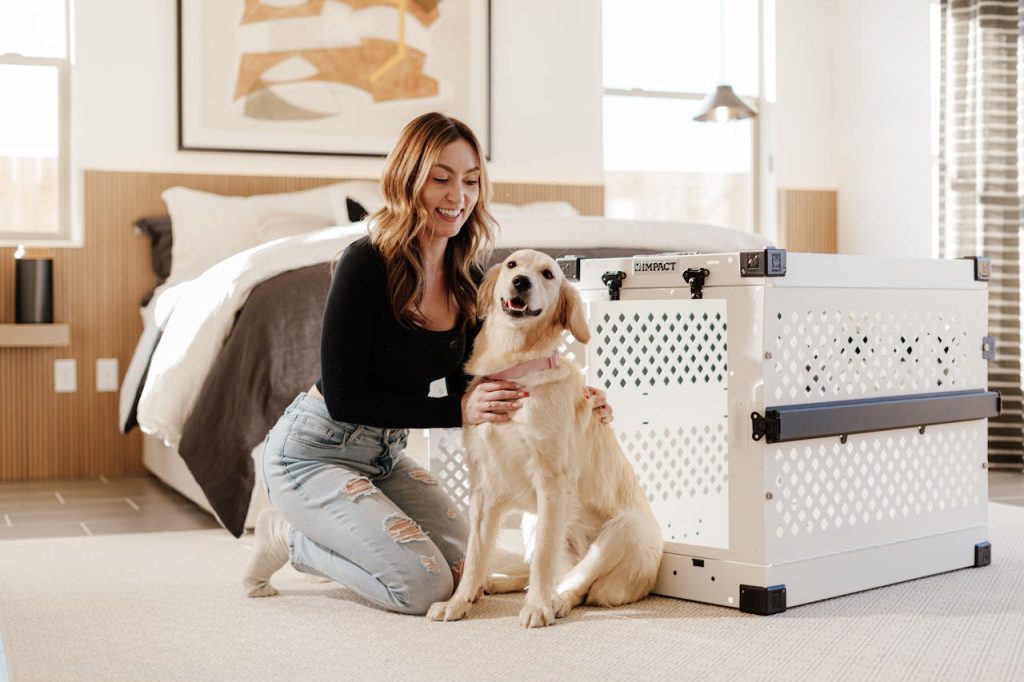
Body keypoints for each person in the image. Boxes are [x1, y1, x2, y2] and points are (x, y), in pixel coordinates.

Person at [242, 111, 611, 615]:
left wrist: (572, 400)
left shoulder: (467, 274)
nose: (457, 196)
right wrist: (458, 410)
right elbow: (348, 398)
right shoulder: (364, 263)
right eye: (441, 178)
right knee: (421, 587)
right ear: (407, 178)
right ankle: (290, 538)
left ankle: (351, 531)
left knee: (468, 568)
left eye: (471, 181)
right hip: (316, 451)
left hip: (386, 456)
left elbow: (480, 376)